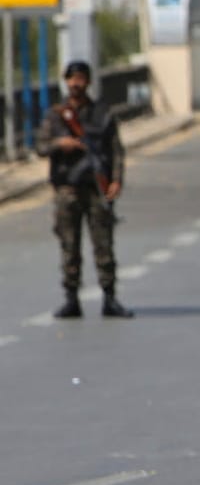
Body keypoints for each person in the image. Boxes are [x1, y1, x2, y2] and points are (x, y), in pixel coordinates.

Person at [37, 61, 132, 319]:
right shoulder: (56, 115)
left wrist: (116, 180)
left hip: (96, 188)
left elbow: (116, 150)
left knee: (103, 244)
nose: (76, 83)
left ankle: (110, 297)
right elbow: (41, 147)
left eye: (80, 79)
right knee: (69, 245)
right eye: (72, 79)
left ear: (88, 82)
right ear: (66, 82)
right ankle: (71, 298)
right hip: (67, 188)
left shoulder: (102, 114)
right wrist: (61, 143)